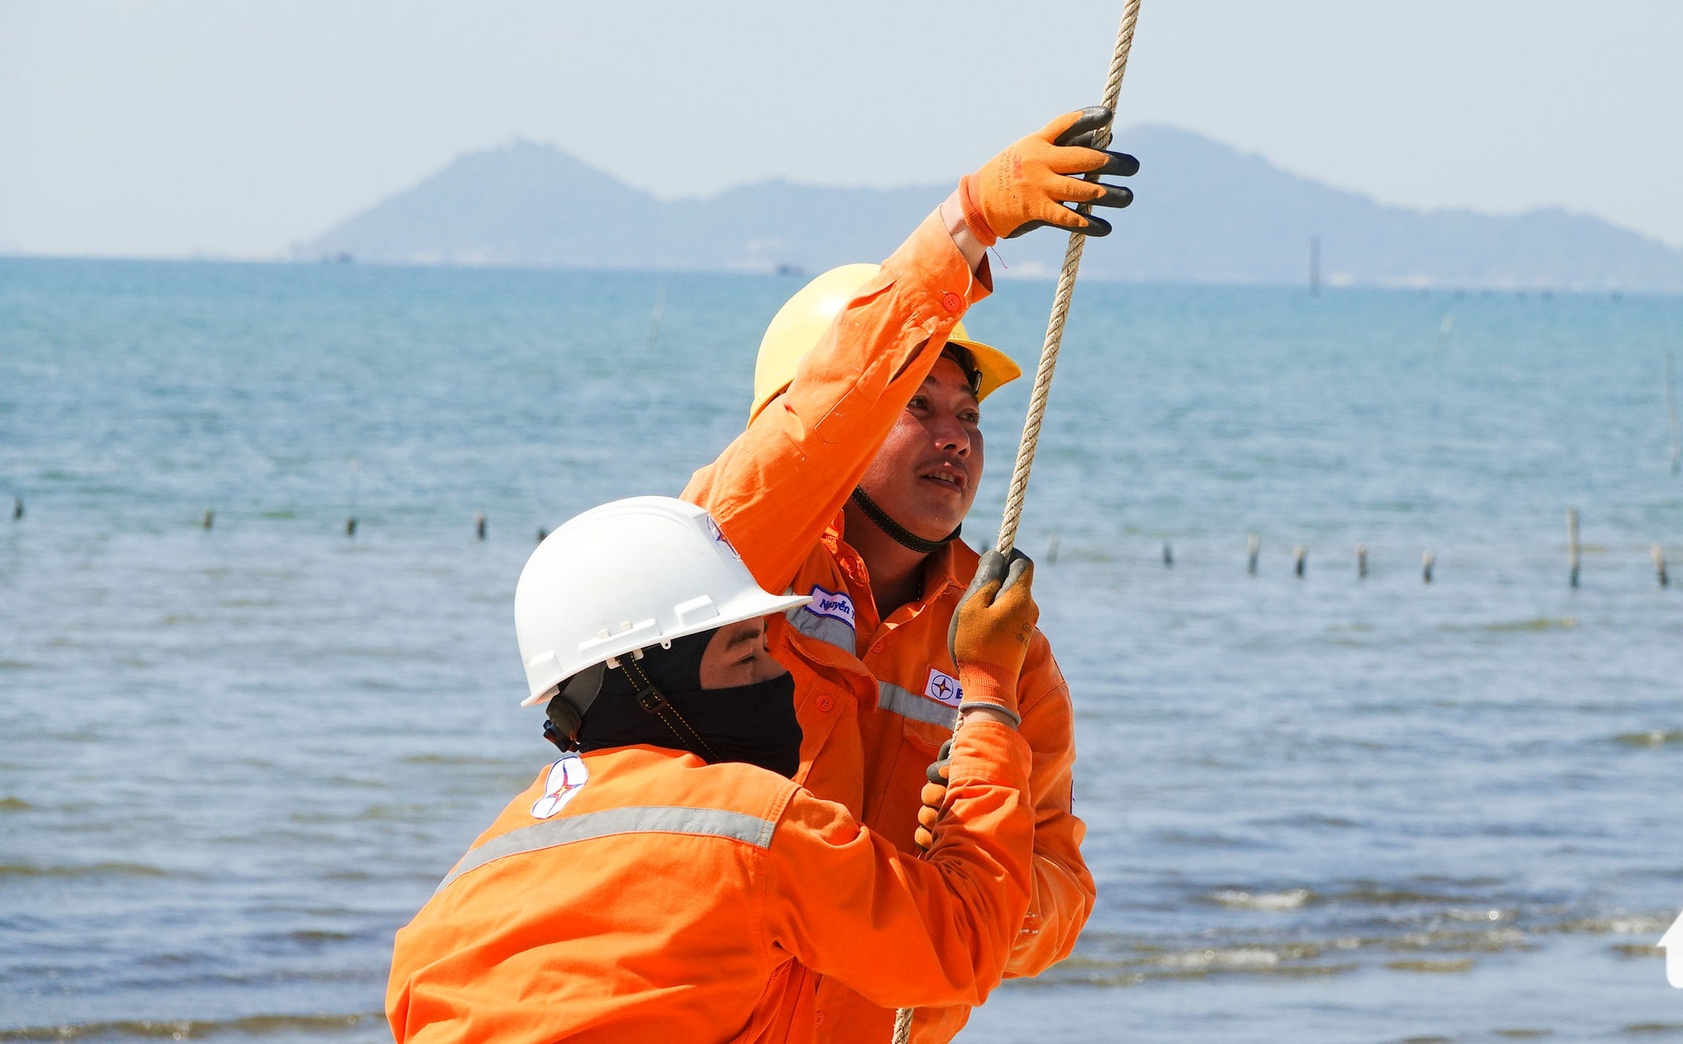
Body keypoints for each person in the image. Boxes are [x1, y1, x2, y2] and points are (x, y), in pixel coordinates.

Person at [683, 109, 1138, 1043]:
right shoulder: (730, 562)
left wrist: (979, 876)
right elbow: (816, 421)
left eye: (967, 412)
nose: (956, 436)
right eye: (915, 403)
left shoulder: (1004, 645)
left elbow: (1059, 891)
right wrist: (964, 227)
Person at [385, 495, 1045, 1044]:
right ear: (650, 683)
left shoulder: (463, 885)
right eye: (744, 654)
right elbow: (961, 941)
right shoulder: (749, 825)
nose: (776, 675)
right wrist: (988, 693)